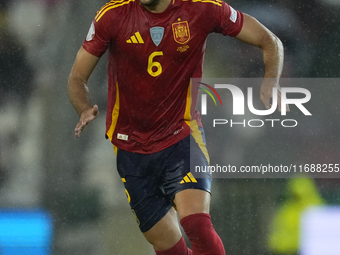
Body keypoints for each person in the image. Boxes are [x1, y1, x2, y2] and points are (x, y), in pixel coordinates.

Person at [67, 0, 284, 254]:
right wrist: (83, 108)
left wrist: (271, 81)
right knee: (169, 247)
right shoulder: (112, 15)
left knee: (198, 226)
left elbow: (269, 40)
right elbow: (76, 78)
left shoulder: (202, 9)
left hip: (180, 137)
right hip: (130, 147)